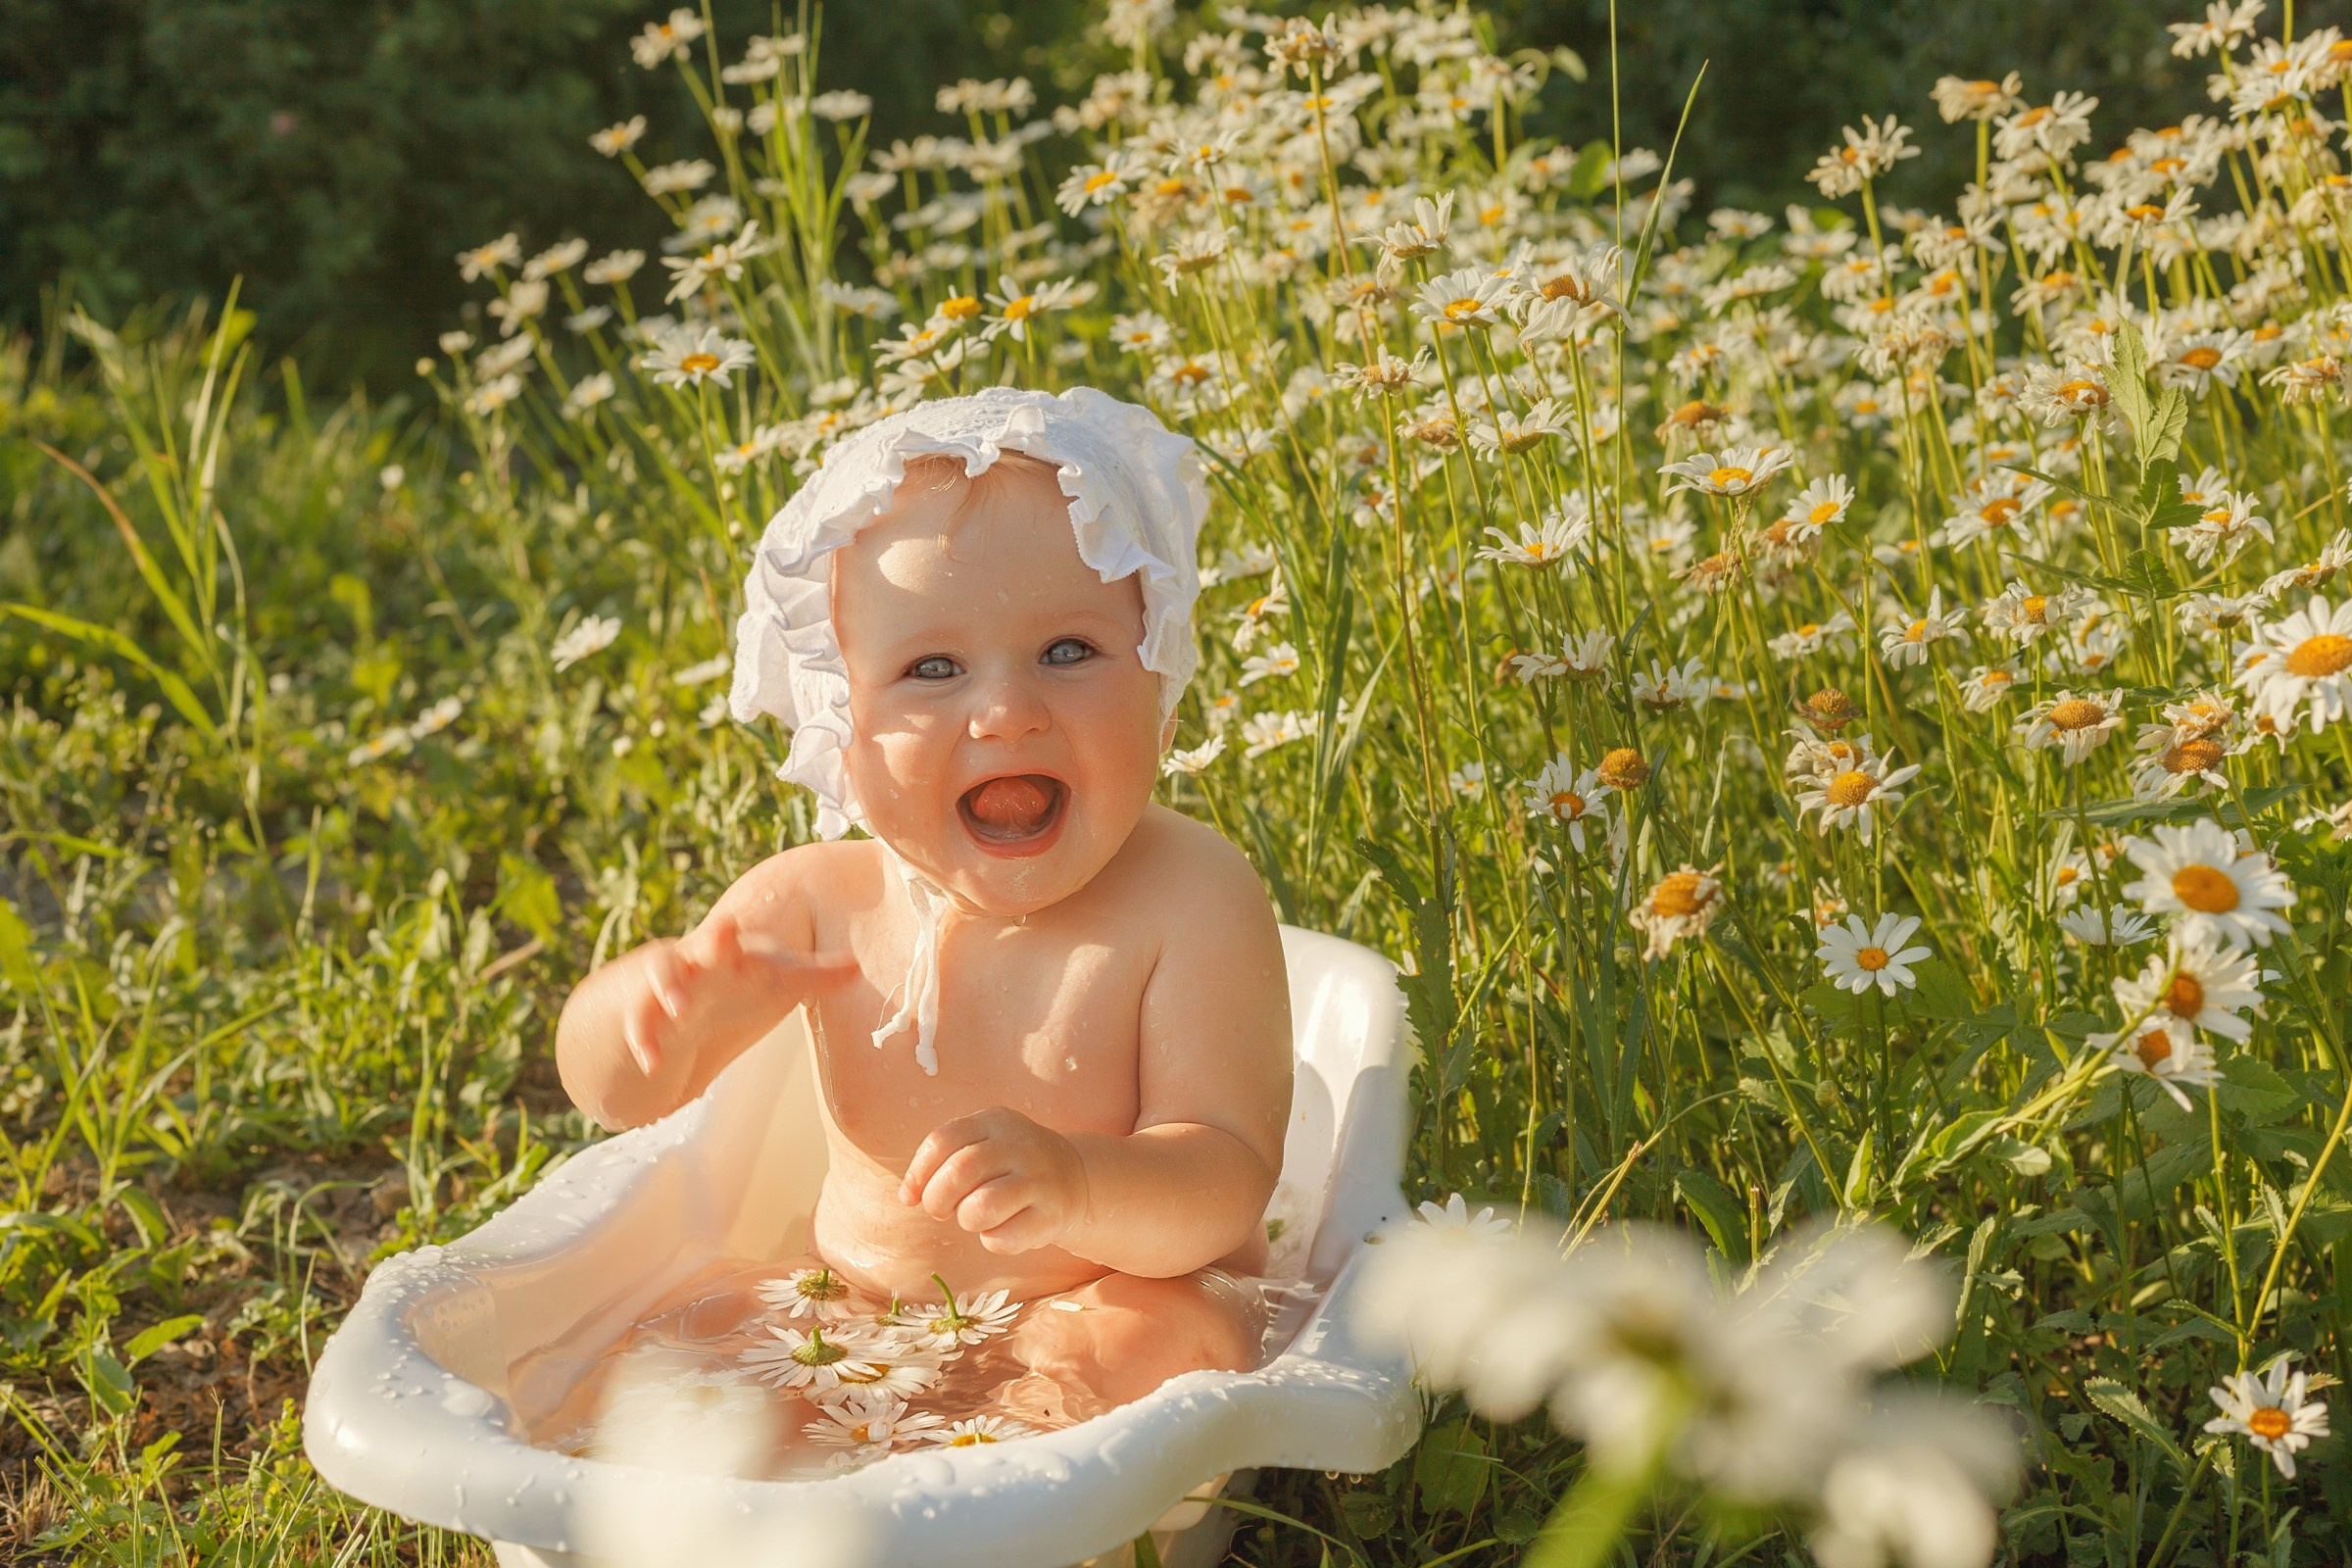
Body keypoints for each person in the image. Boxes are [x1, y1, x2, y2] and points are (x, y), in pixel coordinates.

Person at [553, 388, 1293, 1443]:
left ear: (1160, 669)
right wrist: (643, 1013)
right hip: (857, 1306)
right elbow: (622, 1096)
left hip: (1111, 1294)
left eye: (1070, 651)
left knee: (1159, 1343)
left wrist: (1081, 1182)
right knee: (680, 1345)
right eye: (931, 670)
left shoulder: (1193, 897)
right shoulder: (816, 902)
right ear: (840, 726)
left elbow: (1223, 1176)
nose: (1007, 712)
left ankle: (1009, 1514)